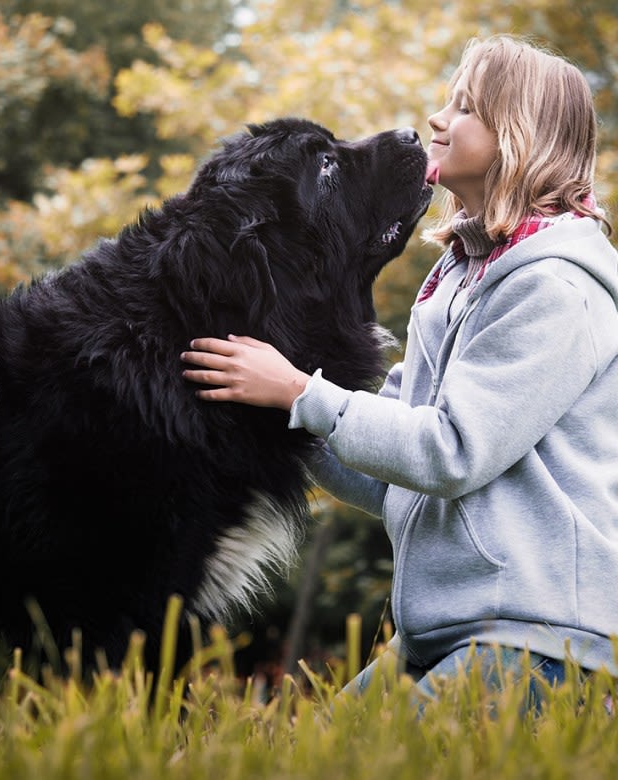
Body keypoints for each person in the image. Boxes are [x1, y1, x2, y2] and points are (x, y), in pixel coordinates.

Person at [180, 34, 618, 712]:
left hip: (540, 642)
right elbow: (391, 475)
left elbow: (449, 451)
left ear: (519, 138)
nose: (439, 120)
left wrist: (301, 390)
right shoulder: (459, 282)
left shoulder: (554, 290)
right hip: (441, 631)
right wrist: (275, 407)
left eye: (466, 107)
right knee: (299, 757)